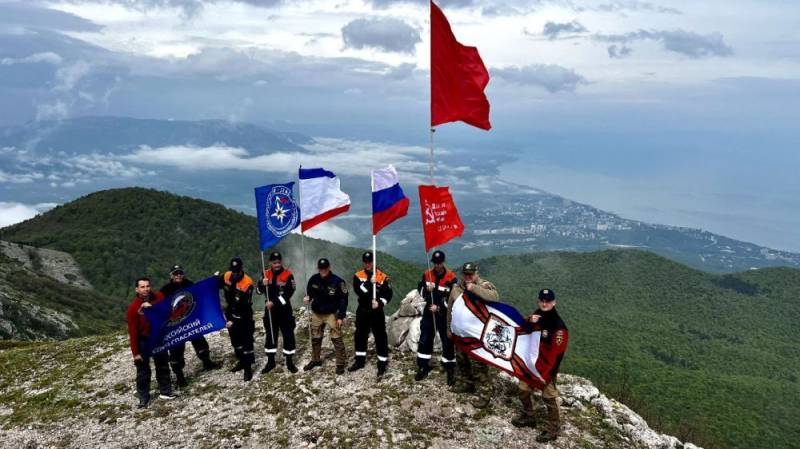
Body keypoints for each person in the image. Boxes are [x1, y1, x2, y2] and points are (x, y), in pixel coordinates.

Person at [512, 288, 569, 443]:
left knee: (549, 397)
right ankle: (529, 416)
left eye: (548, 301)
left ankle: (554, 428)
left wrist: (547, 375)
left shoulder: (558, 326)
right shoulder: (538, 314)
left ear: (554, 302)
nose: (544, 304)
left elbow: (557, 355)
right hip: (532, 363)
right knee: (523, 389)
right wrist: (530, 320)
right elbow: (524, 330)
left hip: (547, 367)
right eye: (542, 301)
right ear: (539, 301)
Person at [447, 262, 499, 409]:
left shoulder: (484, 285)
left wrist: (474, 288)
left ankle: (484, 394)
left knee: (478, 365)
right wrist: (448, 329)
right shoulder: (457, 288)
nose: (468, 277)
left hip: (478, 335)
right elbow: (450, 310)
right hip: (460, 333)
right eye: (465, 274)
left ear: (477, 273)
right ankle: (466, 383)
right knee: (462, 360)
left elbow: (494, 297)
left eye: (471, 274)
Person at [160, 264, 221, 387]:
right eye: (176, 274)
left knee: (200, 342)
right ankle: (180, 377)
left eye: (180, 273)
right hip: (175, 324)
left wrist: (212, 281)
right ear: (171, 275)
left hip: (191, 321)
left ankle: (207, 362)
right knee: (176, 349)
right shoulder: (165, 290)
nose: (178, 276)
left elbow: (199, 293)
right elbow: (159, 305)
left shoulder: (189, 284)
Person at [126, 277, 176, 408]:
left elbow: (167, 312)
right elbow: (133, 332)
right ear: (136, 289)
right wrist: (136, 353)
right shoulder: (133, 308)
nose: (146, 289)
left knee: (163, 364)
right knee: (143, 370)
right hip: (144, 340)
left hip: (159, 337)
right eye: (142, 287)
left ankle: (165, 391)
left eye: (147, 286)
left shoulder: (159, 297)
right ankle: (143, 397)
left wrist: (152, 308)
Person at [415, 250, 457, 385]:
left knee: (447, 341)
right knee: (425, 338)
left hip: (444, 314)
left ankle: (449, 367)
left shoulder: (451, 277)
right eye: (435, 263)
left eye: (439, 263)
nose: (437, 265)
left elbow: (452, 298)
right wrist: (427, 292)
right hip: (429, 312)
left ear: (443, 262)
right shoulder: (427, 274)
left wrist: (439, 307)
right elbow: (420, 289)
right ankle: (423, 366)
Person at [348, 251, 393, 377]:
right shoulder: (358, 275)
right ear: (363, 262)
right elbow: (359, 290)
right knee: (360, 335)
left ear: (373, 262)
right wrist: (369, 282)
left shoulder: (382, 276)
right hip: (363, 309)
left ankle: (382, 363)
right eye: (366, 262)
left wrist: (380, 303)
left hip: (377, 311)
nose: (368, 264)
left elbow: (388, 294)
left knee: (380, 336)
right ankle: (360, 360)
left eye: (370, 262)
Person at [303, 258, 348, 374]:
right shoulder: (314, 279)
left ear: (329, 267)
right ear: (318, 268)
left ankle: (340, 364)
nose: (323, 270)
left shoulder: (338, 281)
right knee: (316, 337)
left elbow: (343, 300)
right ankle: (315, 360)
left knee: (336, 338)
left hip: (331, 314)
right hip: (317, 313)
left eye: (325, 268)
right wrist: (308, 298)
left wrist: (341, 316)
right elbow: (310, 293)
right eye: (321, 268)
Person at [255, 251, 298, 374]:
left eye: (279, 262)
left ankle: (289, 362)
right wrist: (262, 285)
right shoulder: (265, 274)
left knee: (288, 335)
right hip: (270, 312)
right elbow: (257, 291)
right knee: (270, 335)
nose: (277, 265)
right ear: (270, 263)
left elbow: (289, 292)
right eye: (274, 263)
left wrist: (274, 302)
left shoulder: (288, 275)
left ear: (281, 262)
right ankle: (270, 362)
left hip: (284, 310)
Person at [218, 257, 256, 381]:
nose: (235, 274)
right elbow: (218, 283)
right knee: (236, 342)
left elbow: (244, 305)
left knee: (247, 342)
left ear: (241, 270)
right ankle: (241, 362)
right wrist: (213, 279)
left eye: (237, 272)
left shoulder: (247, 283)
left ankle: (248, 369)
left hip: (244, 315)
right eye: (233, 271)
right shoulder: (227, 276)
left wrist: (233, 320)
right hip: (230, 312)